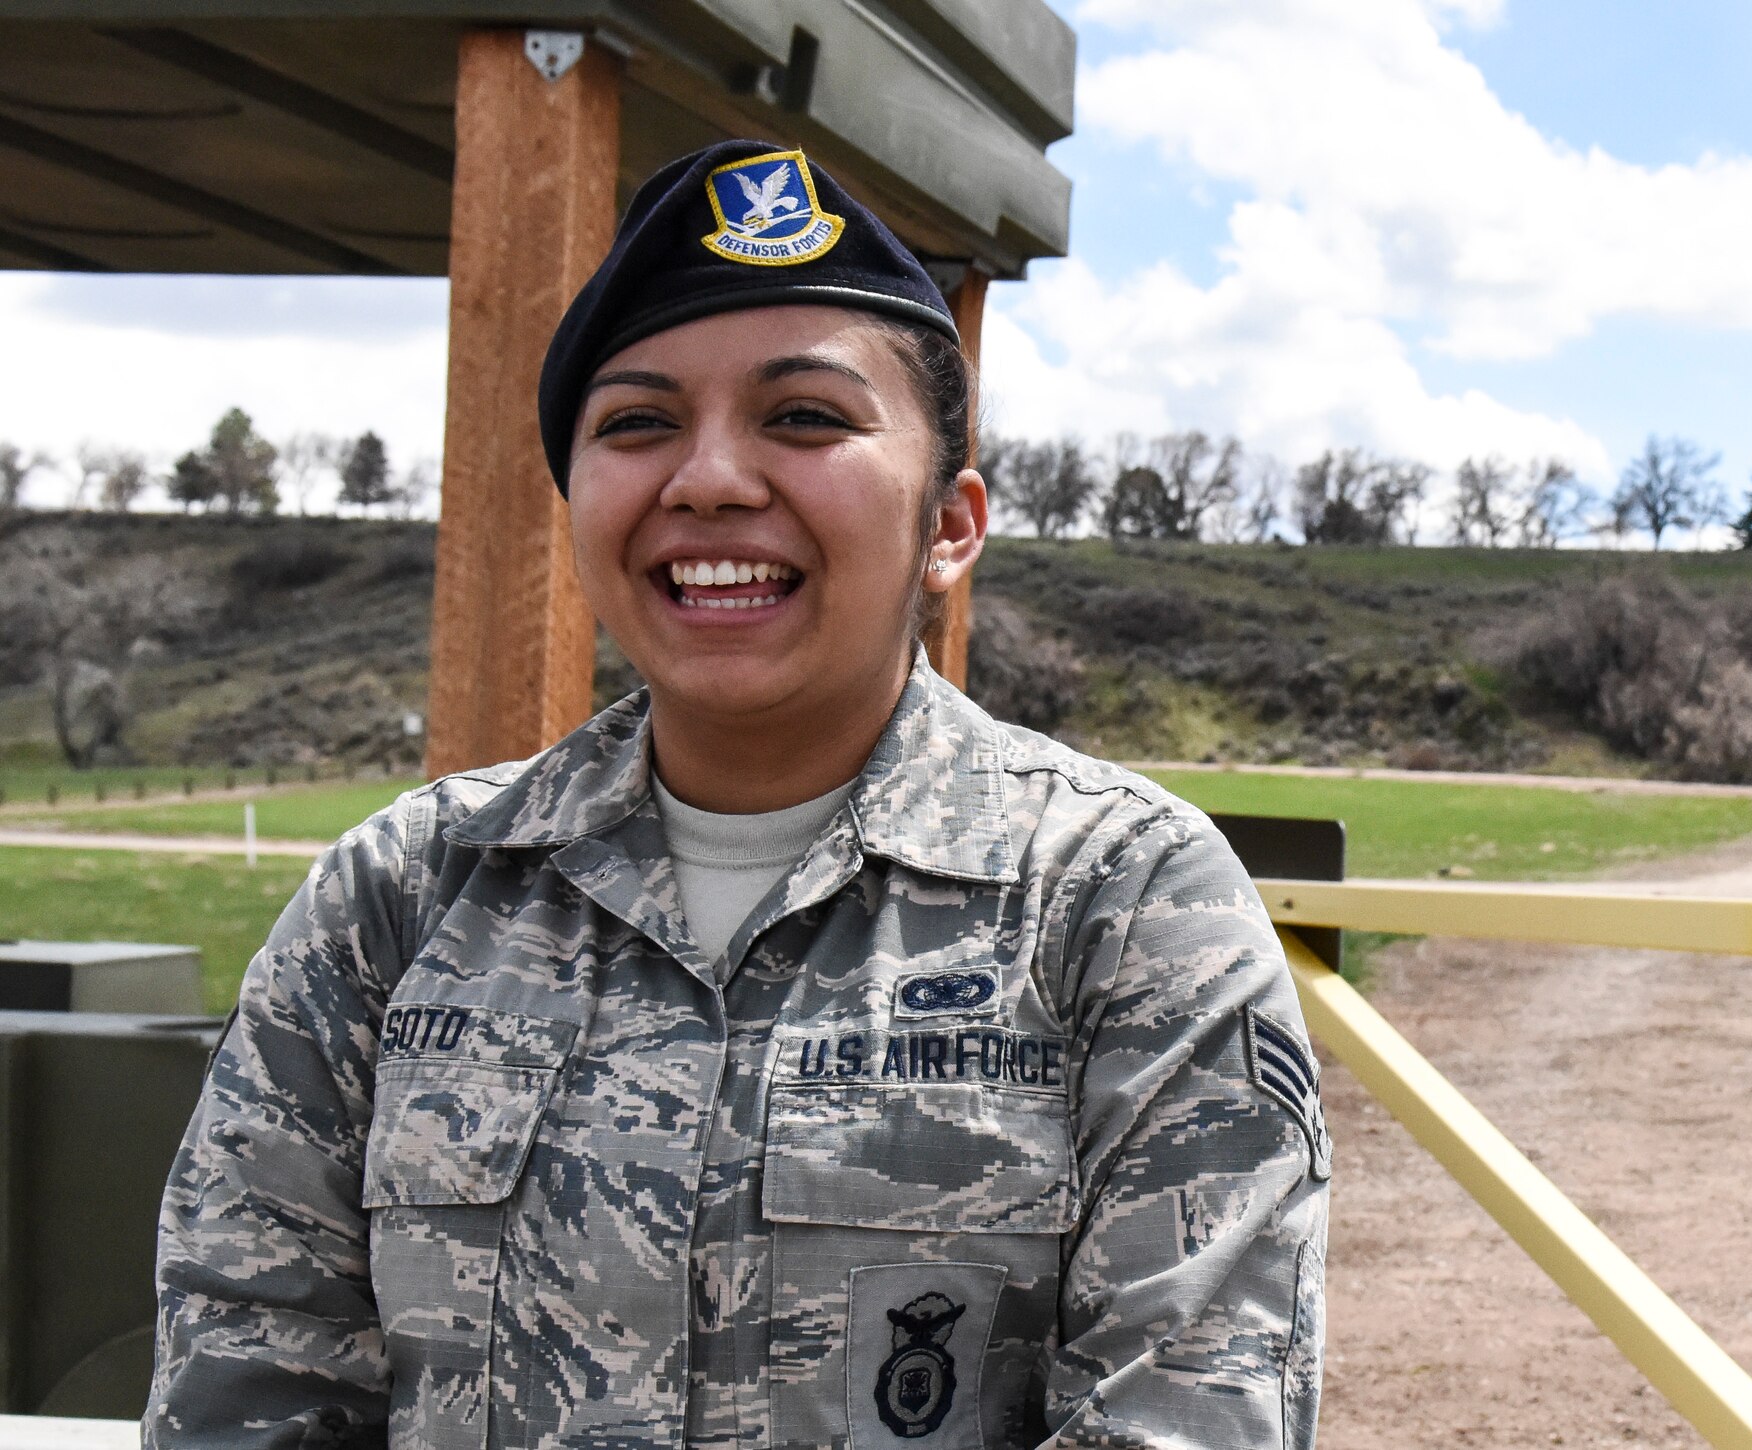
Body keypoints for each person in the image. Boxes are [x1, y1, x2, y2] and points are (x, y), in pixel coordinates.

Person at [147, 139, 1329, 1450]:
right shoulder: (399, 901)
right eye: (638, 423)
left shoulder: (1122, 908)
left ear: (950, 524)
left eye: (806, 417)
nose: (706, 477)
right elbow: (242, 1394)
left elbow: (1189, 1417)